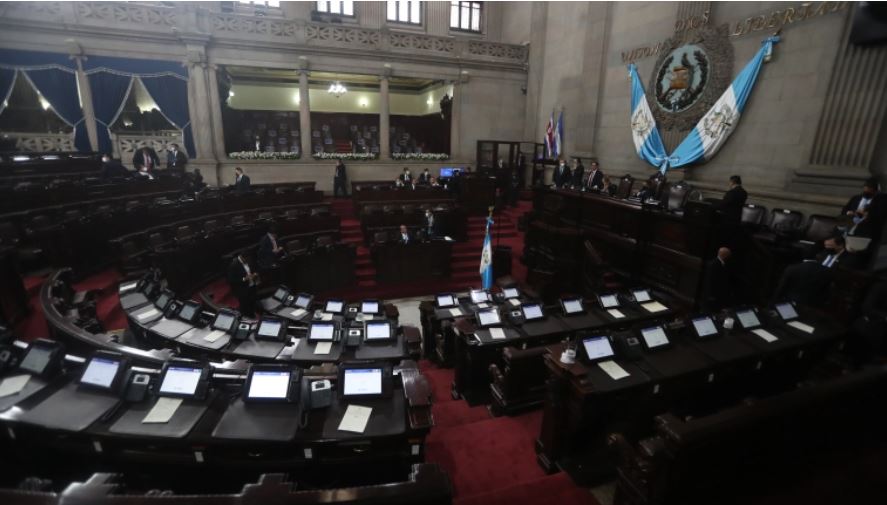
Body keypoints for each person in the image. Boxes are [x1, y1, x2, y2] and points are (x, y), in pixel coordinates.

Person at [702, 247, 734, 311]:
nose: (729, 256)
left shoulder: (722, 264)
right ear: (724, 255)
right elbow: (710, 281)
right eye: (728, 255)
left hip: (718, 295)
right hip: (713, 296)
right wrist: (711, 295)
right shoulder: (713, 264)